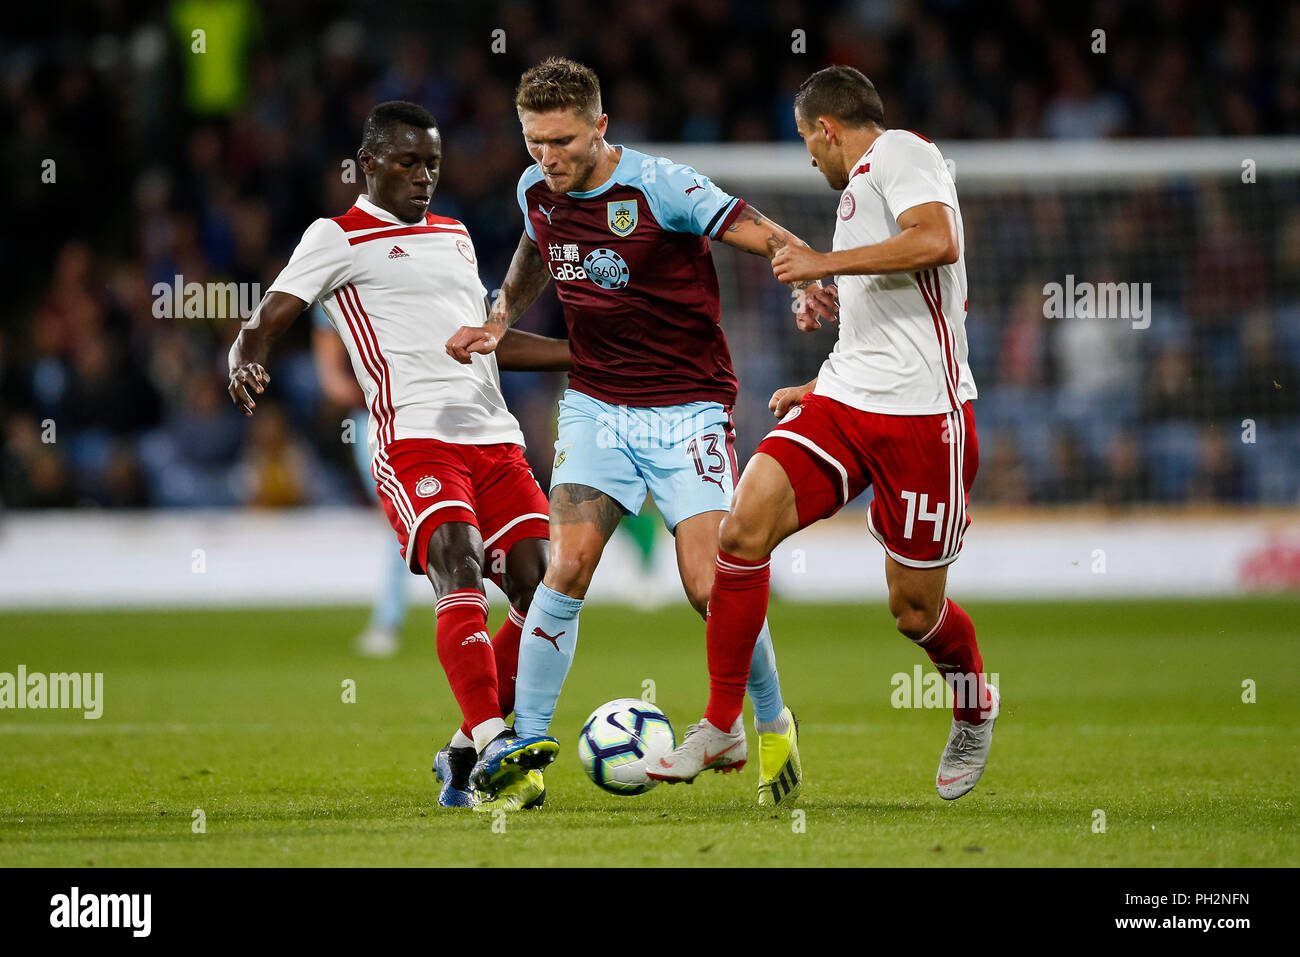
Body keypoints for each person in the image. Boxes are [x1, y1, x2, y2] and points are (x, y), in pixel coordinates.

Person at [445, 57, 838, 807]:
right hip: (596, 404)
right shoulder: (537, 189)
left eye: (561, 141)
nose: (547, 158)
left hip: (688, 407)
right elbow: (536, 248)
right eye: (534, 143)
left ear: (600, 126)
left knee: (707, 585)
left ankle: (770, 718)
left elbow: (752, 226)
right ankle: (524, 745)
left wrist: (807, 274)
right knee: (565, 569)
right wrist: (501, 316)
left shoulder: (661, 186)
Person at [649, 66, 999, 802]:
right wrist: (827, 357)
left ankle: (972, 706)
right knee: (741, 528)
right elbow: (894, 314)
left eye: (809, 140)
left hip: (926, 418)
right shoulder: (856, 196)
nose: (810, 156)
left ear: (827, 128)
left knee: (914, 610)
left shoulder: (902, 152)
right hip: (846, 400)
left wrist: (824, 263)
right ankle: (721, 723)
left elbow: (937, 241)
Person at [227, 100, 572, 811]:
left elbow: (489, 336)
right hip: (413, 435)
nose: (424, 177)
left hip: (495, 437)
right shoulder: (337, 235)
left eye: (434, 164)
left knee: (548, 590)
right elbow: (268, 316)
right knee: (458, 558)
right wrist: (246, 355)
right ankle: (496, 737)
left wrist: (584, 355)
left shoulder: (453, 234)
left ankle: (465, 750)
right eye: (410, 162)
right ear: (369, 163)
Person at [311, 304, 410, 657]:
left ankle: (391, 621)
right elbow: (332, 379)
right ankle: (389, 620)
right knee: (400, 520)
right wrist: (375, 394)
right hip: (374, 422)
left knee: (407, 521)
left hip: (419, 413)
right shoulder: (332, 299)